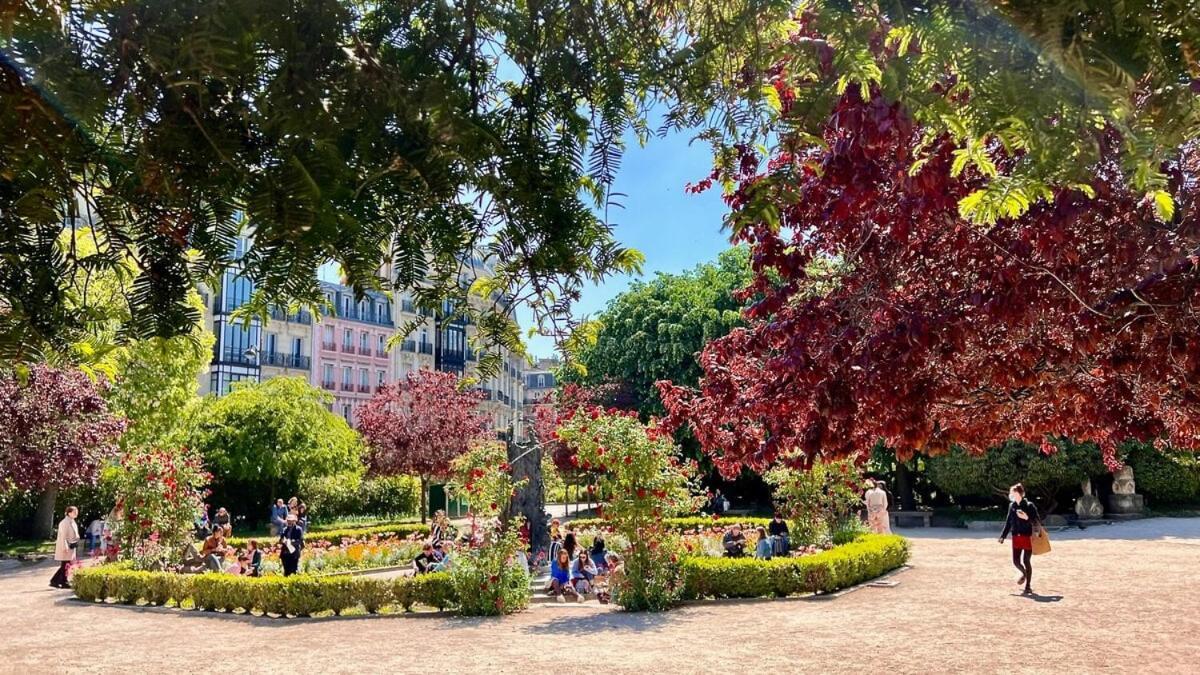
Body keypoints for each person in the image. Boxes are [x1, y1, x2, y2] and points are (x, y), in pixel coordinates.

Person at [999, 483, 1040, 595]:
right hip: (1016, 536)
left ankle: (1028, 586)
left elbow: (1036, 521)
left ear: (1019, 493)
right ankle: (1024, 574)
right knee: (1016, 561)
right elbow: (1008, 522)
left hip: (1028, 536)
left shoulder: (1029, 505)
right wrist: (1003, 535)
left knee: (1026, 561)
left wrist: (1026, 517)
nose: (1011, 495)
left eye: (1013, 492)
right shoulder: (1012, 506)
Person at [49, 506, 81, 589]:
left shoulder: (71, 521)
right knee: (65, 564)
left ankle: (56, 581)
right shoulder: (64, 522)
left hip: (71, 546)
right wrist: (65, 546)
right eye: (74, 512)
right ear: (69, 513)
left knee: (66, 564)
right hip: (66, 547)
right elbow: (63, 536)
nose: (76, 513)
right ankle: (62, 581)